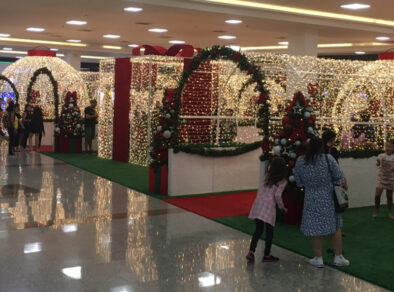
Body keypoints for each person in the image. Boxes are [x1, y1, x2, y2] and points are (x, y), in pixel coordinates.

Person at [294, 137, 350, 268]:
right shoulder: (328, 159)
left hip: (311, 198)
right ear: (321, 147)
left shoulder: (301, 161)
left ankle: (318, 259)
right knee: (335, 227)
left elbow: (298, 180)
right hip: (328, 198)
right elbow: (339, 176)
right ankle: (338, 257)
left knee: (315, 229)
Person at [246, 157, 288, 263]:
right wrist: (282, 207)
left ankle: (251, 251)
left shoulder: (267, 176)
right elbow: (278, 195)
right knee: (269, 232)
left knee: (258, 229)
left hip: (259, 204)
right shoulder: (282, 181)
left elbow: (260, 189)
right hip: (269, 207)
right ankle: (267, 255)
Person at [373, 140, 394, 219]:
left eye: (390, 146)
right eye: (386, 146)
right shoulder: (381, 155)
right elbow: (378, 163)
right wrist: (378, 162)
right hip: (381, 178)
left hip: (391, 178)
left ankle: (389, 212)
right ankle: (377, 210)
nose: (388, 148)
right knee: (377, 195)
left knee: (389, 196)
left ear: (393, 148)